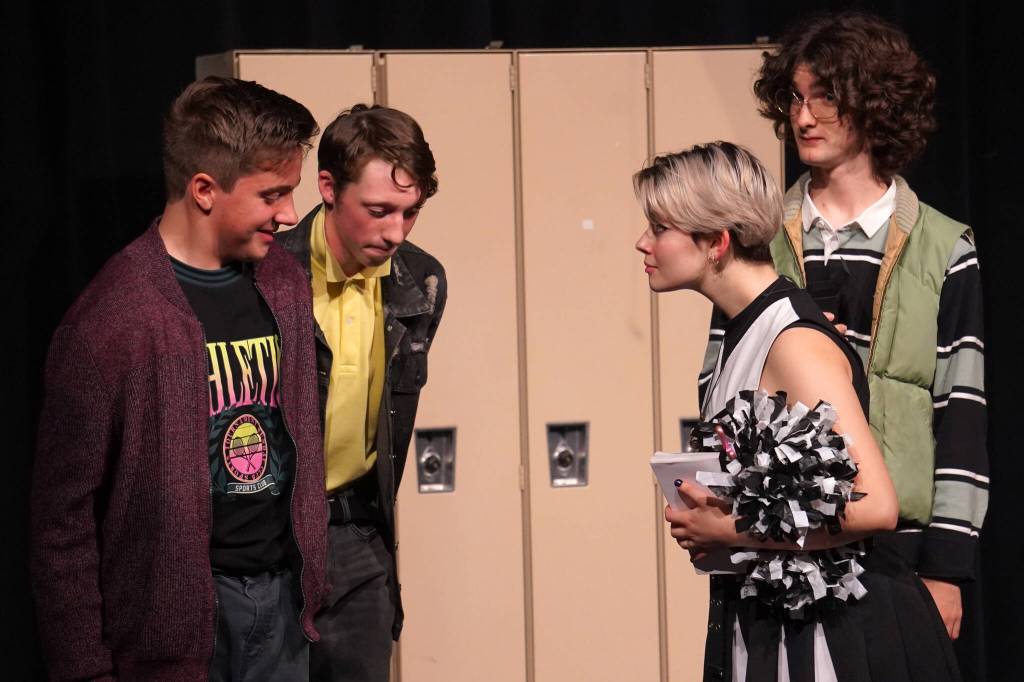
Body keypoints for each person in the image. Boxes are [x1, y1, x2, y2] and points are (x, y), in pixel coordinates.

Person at [709, 10, 987, 673]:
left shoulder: (942, 247)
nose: (804, 118)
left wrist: (948, 567)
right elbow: (718, 388)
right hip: (780, 544)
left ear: (874, 104)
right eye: (796, 99)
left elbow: (963, 413)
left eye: (825, 98)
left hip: (898, 549)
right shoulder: (762, 236)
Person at [30, 76, 328, 681]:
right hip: (175, 640)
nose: (290, 215)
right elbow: (61, 521)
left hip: (284, 617)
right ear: (204, 190)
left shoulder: (284, 285)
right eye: (272, 194)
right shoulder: (115, 318)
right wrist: (86, 670)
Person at [635, 141, 962, 681]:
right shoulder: (743, 331)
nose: (642, 242)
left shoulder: (792, 342)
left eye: (659, 226)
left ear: (715, 242)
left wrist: (733, 527)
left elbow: (876, 506)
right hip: (782, 629)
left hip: (845, 639)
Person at [277, 103, 447, 681]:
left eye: (410, 213)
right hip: (268, 540)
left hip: (354, 534)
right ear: (327, 187)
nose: (395, 232)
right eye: (378, 211)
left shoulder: (419, 282)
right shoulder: (271, 275)